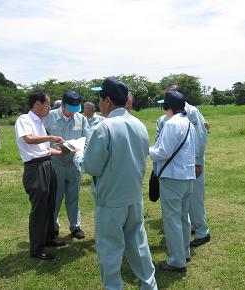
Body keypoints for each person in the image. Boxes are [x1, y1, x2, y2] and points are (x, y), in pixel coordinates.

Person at [78, 77, 157, 289]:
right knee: (138, 245)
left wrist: (79, 156)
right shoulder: (139, 125)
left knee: (110, 251)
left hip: (111, 200)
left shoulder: (103, 128)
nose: (100, 103)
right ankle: (149, 285)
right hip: (133, 196)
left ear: (109, 101)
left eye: (101, 98)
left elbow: (92, 167)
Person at [149, 90, 198, 272]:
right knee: (183, 218)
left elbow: (162, 152)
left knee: (172, 221)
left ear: (166, 107)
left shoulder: (171, 124)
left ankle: (177, 261)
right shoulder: (188, 123)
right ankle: (184, 253)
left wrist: (146, 150)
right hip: (187, 177)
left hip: (172, 178)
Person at [156, 86, 211, 248]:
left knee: (196, 198)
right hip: (179, 166)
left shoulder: (192, 111)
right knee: (186, 202)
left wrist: (198, 162)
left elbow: (200, 137)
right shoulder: (169, 115)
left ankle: (202, 232)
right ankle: (193, 227)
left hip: (192, 163)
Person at [15, 90, 66, 260]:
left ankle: (49, 238)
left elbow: (43, 150)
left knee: (50, 203)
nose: (49, 107)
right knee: (39, 209)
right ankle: (36, 249)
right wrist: (51, 136)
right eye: (48, 104)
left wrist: (62, 152)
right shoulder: (24, 119)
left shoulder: (40, 122)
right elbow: (28, 139)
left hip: (47, 164)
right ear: (37, 104)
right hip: (35, 169)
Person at [44, 90, 89, 239]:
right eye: (69, 109)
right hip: (56, 163)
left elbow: (86, 138)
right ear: (62, 104)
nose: (72, 113)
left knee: (73, 196)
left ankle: (75, 227)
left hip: (74, 164)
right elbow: (43, 141)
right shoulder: (49, 117)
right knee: (55, 197)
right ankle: (53, 226)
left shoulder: (81, 119)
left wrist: (79, 148)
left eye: (75, 110)